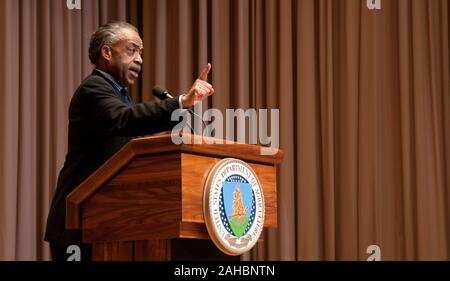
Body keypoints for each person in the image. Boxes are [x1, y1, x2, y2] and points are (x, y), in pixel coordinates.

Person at [44, 21, 214, 261]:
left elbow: (130, 130)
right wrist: (181, 102)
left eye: (141, 53)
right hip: (78, 223)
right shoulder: (94, 89)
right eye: (131, 50)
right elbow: (126, 119)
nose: (140, 59)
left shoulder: (117, 94)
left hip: (105, 221)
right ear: (107, 52)